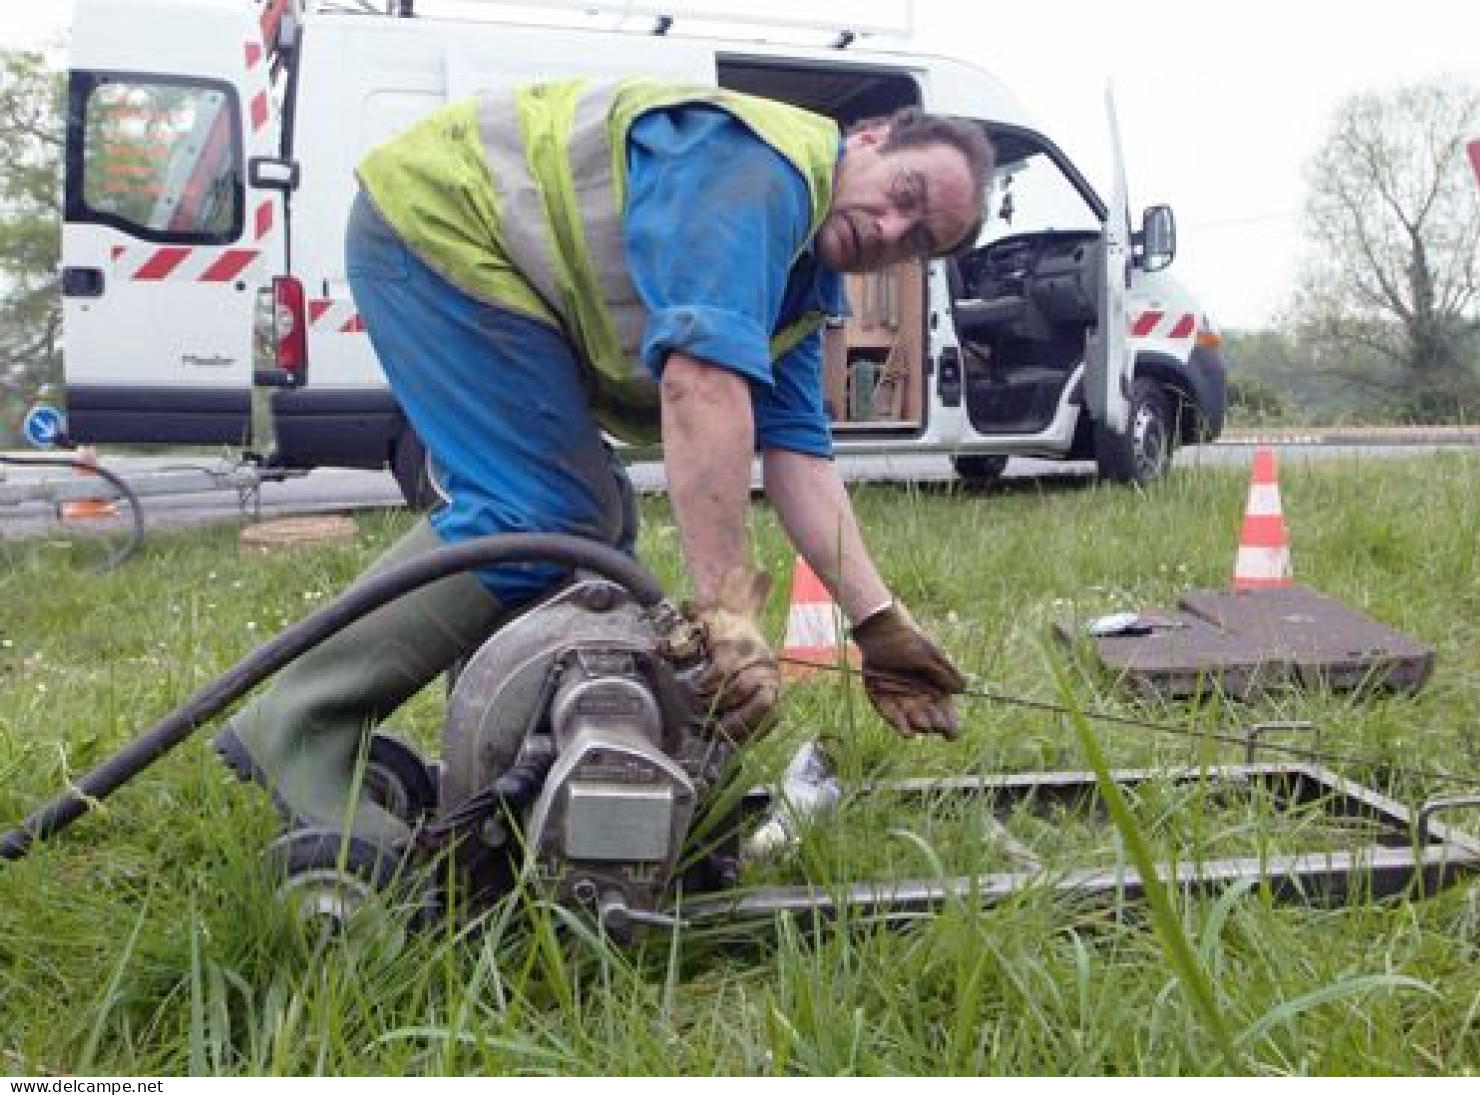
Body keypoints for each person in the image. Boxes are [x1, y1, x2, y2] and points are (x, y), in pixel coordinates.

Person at [214, 77, 998, 849]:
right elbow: (700, 388)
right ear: (867, 140)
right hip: (437, 226)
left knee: (595, 519)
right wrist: (725, 615)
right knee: (541, 512)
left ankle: (512, 767)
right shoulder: (763, 170)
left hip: (480, 255)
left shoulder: (803, 281)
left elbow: (797, 455)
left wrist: (878, 623)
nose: (892, 228)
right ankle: (299, 723)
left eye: (918, 238)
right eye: (903, 192)